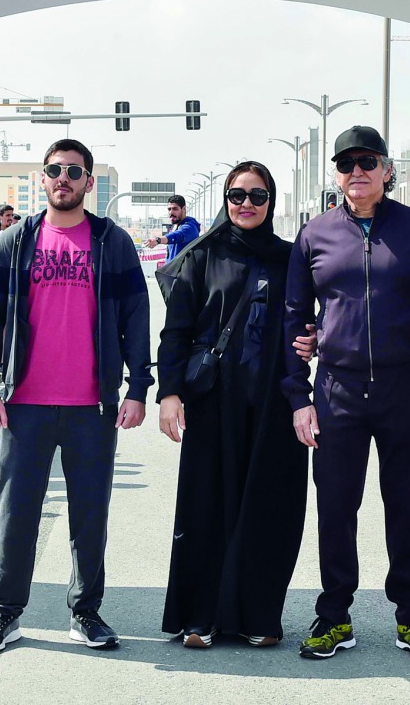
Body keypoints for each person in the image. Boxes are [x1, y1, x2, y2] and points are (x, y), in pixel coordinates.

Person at [283, 125, 410, 662]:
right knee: (336, 508)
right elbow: (294, 321)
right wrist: (299, 398)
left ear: (387, 170)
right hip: (336, 390)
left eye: (367, 162)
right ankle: (334, 616)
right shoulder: (314, 235)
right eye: (346, 164)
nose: (356, 172)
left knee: (403, 509)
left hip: (403, 387)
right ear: (336, 174)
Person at [0, 138, 152, 655]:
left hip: (91, 407)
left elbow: (136, 317)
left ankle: (86, 612)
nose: (64, 178)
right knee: (16, 512)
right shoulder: (16, 241)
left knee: (89, 513)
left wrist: (137, 387)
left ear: (89, 183)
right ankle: (5, 613)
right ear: (43, 177)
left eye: (75, 171)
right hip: (24, 404)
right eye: (55, 170)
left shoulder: (111, 241)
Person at [155, 162, 312, 648]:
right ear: (225, 199)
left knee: (270, 507)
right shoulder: (203, 256)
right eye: (237, 195)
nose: (246, 204)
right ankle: (200, 616)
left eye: (258, 196)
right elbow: (176, 331)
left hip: (275, 401)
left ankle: (257, 615)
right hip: (214, 401)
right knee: (207, 506)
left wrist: (316, 339)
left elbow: (314, 318)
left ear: (271, 203)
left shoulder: (292, 258)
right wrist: (168, 392)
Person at [145, 194, 201, 260]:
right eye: (169, 209)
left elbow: (177, 236)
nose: (171, 212)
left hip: (181, 270)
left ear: (184, 209)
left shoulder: (190, 227)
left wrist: (158, 240)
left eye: (175, 209)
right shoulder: (176, 226)